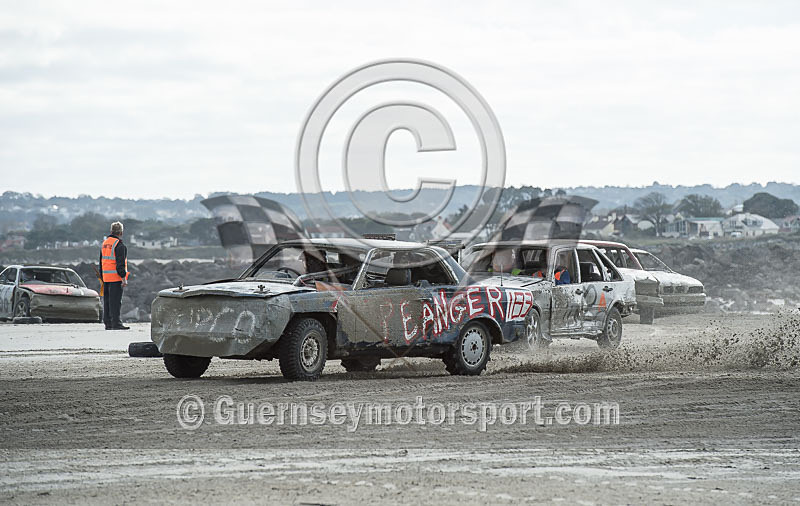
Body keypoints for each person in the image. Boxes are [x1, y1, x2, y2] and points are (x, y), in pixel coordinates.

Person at [99, 221, 129, 330]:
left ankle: (108, 323)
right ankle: (116, 323)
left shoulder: (105, 243)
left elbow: (101, 262)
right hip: (115, 278)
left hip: (106, 278)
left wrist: (102, 277)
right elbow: (120, 265)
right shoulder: (119, 245)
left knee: (107, 301)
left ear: (111, 231)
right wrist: (123, 278)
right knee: (115, 302)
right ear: (121, 232)